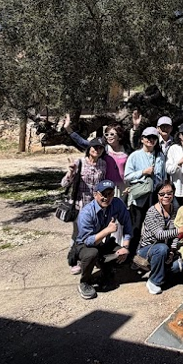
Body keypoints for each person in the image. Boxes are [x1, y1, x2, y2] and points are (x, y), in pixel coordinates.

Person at [73, 179, 132, 300]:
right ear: (95, 195)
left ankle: (105, 272)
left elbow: (127, 225)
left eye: (110, 194)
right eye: (103, 194)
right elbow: (88, 241)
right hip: (84, 246)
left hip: (103, 243)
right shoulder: (87, 213)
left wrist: (125, 247)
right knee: (92, 253)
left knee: (123, 254)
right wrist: (107, 231)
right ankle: (85, 282)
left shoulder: (117, 203)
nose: (107, 198)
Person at [61, 136, 108, 275]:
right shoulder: (79, 162)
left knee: (94, 233)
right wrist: (70, 172)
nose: (97, 150)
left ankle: (89, 259)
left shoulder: (103, 164)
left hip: (96, 206)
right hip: (80, 205)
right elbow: (64, 183)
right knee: (78, 234)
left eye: (100, 148)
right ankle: (73, 260)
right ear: (89, 149)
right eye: (95, 147)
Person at [138, 181, 183, 294]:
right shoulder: (152, 212)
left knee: (179, 265)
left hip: (166, 248)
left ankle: (161, 273)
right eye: (162, 194)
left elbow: (176, 235)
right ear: (157, 195)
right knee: (161, 249)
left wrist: (172, 250)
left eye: (169, 193)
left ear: (174, 194)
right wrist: (179, 231)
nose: (166, 196)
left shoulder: (175, 210)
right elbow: (159, 234)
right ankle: (154, 281)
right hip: (148, 248)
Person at [124, 126, 167, 251]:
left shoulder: (160, 156)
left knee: (154, 227)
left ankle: (150, 253)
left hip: (155, 197)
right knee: (135, 227)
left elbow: (163, 177)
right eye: (148, 137)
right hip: (139, 197)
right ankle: (130, 254)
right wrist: (143, 172)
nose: (151, 140)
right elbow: (127, 176)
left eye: (154, 137)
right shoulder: (134, 156)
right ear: (142, 139)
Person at [62, 114, 128, 189]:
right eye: (106, 134)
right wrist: (68, 129)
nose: (109, 136)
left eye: (112, 134)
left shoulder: (126, 149)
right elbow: (82, 142)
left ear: (119, 136)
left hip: (123, 187)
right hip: (107, 188)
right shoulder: (103, 149)